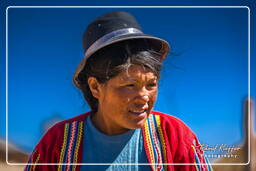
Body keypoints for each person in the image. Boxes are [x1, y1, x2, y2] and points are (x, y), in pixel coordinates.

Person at [25, 11, 212, 171]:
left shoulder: (173, 135)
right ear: (95, 87)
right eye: (130, 85)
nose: (144, 97)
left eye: (151, 84)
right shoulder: (58, 142)